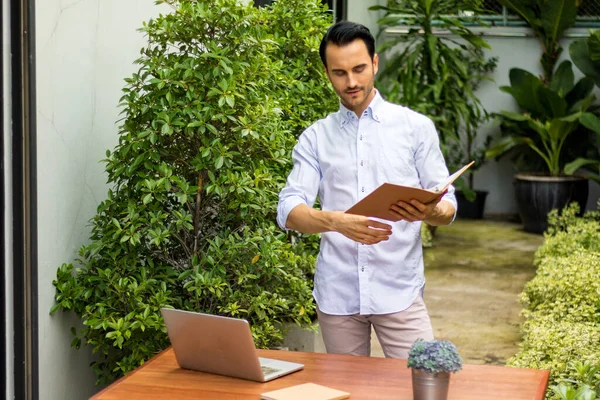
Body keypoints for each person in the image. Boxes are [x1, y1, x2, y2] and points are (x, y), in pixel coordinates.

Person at [276, 21, 457, 359]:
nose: (352, 82)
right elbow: (288, 209)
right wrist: (336, 222)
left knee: (424, 382)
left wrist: (431, 210)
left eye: (359, 69)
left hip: (400, 291)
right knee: (347, 392)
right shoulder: (315, 138)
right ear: (327, 73)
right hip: (338, 295)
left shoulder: (415, 128)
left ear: (375, 62)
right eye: (339, 73)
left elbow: (447, 205)